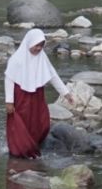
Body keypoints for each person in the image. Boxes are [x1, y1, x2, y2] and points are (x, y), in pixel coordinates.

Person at [4, 28, 73, 158]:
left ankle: (32, 145)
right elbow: (9, 79)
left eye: (41, 46)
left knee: (41, 122)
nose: (38, 49)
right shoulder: (16, 59)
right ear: (29, 43)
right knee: (20, 123)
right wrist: (9, 101)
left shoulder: (42, 57)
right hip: (20, 96)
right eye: (36, 45)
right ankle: (20, 150)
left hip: (37, 95)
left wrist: (66, 93)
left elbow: (53, 75)